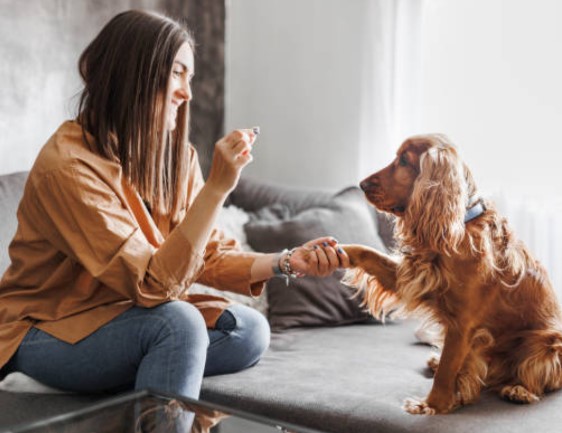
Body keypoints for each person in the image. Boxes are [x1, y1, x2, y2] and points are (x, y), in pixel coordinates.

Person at [0, 10, 349, 401]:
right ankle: (108, 377)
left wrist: (287, 261)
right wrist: (217, 188)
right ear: (134, 73)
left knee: (249, 331)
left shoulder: (176, 158)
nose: (188, 93)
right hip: (45, 329)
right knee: (178, 324)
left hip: (127, 319)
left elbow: (207, 253)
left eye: (191, 77)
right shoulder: (67, 168)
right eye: (178, 73)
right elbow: (154, 286)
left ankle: (135, 377)